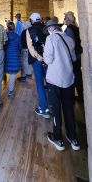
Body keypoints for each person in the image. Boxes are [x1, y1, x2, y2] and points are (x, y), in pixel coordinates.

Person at [43, 18, 80, 151]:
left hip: (55, 79)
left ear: (50, 29)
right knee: (69, 108)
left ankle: (58, 138)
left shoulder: (51, 39)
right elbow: (74, 58)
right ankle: (73, 138)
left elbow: (48, 60)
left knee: (55, 109)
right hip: (69, 78)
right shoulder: (69, 39)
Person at [26, 12, 50, 118]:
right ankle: (52, 106)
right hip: (48, 59)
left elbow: (31, 49)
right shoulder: (46, 28)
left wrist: (39, 57)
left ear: (31, 20)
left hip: (37, 60)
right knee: (50, 83)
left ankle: (44, 108)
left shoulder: (29, 30)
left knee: (40, 83)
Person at [64, 11, 83, 102]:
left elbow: (70, 45)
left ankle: (73, 97)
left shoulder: (69, 29)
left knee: (73, 76)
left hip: (73, 56)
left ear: (67, 20)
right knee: (78, 75)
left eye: (65, 18)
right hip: (78, 55)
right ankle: (80, 95)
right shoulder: (76, 28)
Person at [4, 21, 21, 96]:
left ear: (7, 27)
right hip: (15, 56)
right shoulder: (17, 36)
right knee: (13, 75)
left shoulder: (5, 35)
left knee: (2, 71)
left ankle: (0, 87)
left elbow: (3, 45)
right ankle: (10, 91)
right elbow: (19, 47)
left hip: (6, 55)